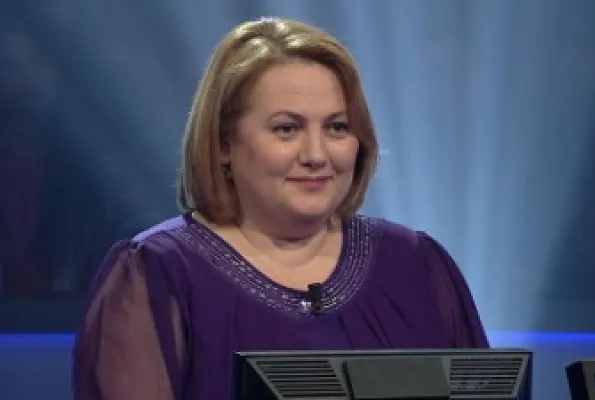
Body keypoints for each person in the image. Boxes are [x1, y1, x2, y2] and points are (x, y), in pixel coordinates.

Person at [72, 17, 488, 400]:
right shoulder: (159, 273)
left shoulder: (416, 264)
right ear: (224, 143)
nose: (316, 155)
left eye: (337, 127)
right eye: (287, 129)